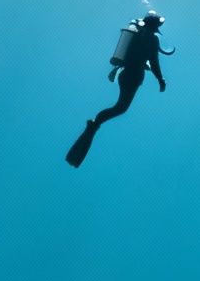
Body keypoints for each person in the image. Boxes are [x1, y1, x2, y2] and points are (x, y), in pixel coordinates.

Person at [65, 11, 172, 167]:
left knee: (120, 107)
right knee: (121, 107)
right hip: (134, 76)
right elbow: (154, 62)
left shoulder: (136, 35)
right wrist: (160, 79)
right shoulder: (152, 39)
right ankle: (94, 123)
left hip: (125, 74)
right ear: (155, 26)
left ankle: (95, 124)